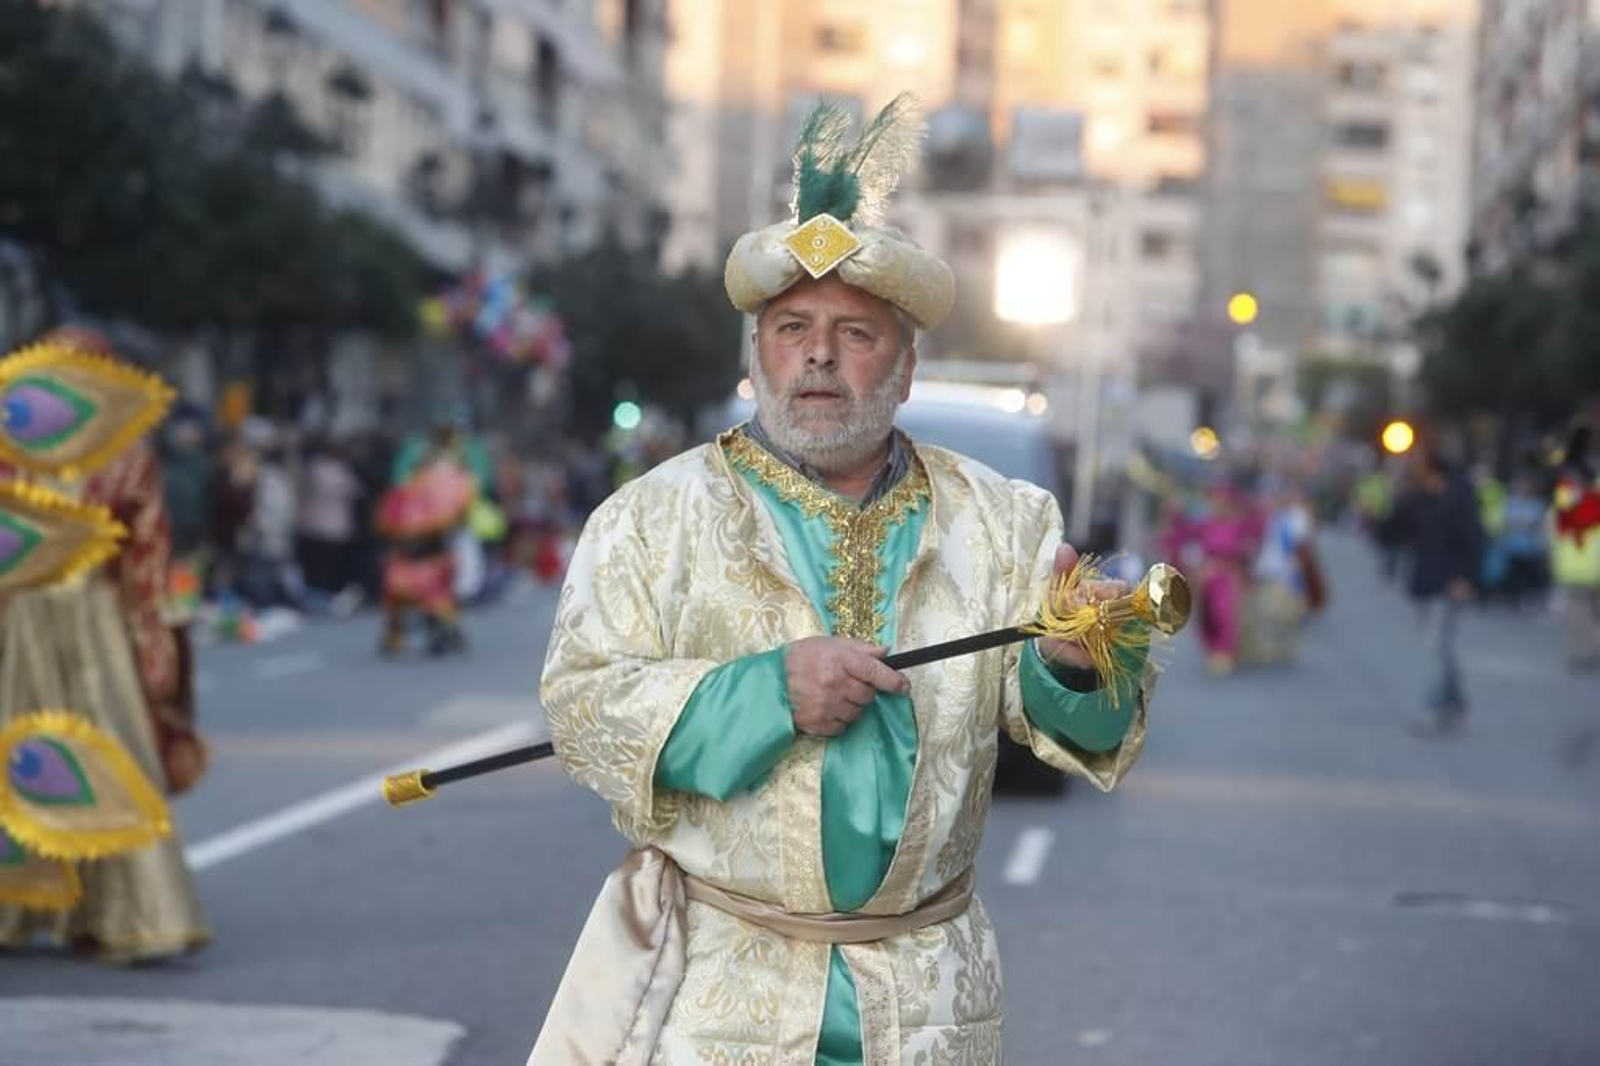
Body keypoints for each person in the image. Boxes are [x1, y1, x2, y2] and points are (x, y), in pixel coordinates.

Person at [529, 95, 1158, 1065]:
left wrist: (1074, 667)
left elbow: (1082, 734)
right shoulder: (649, 518)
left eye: (856, 334)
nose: (818, 354)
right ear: (757, 355)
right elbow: (581, 709)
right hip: (718, 995)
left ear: (903, 369)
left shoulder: (1006, 521)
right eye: (791, 327)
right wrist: (765, 693)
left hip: (931, 1003)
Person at [0, 329, 210, 962]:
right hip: (95, 614)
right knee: (112, 752)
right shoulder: (124, 449)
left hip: (22, 613)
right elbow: (148, 552)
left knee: (22, 752)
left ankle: (22, 907)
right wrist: (155, 636)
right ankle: (137, 910)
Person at [1394, 449, 1486, 734]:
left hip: (1450, 583)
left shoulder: (1460, 497)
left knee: (1436, 647)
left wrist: (1465, 577)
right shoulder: (1421, 499)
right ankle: (1455, 703)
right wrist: (1400, 494)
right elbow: (1397, 531)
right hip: (1427, 582)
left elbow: (1475, 539)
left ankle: (1434, 708)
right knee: (1441, 647)